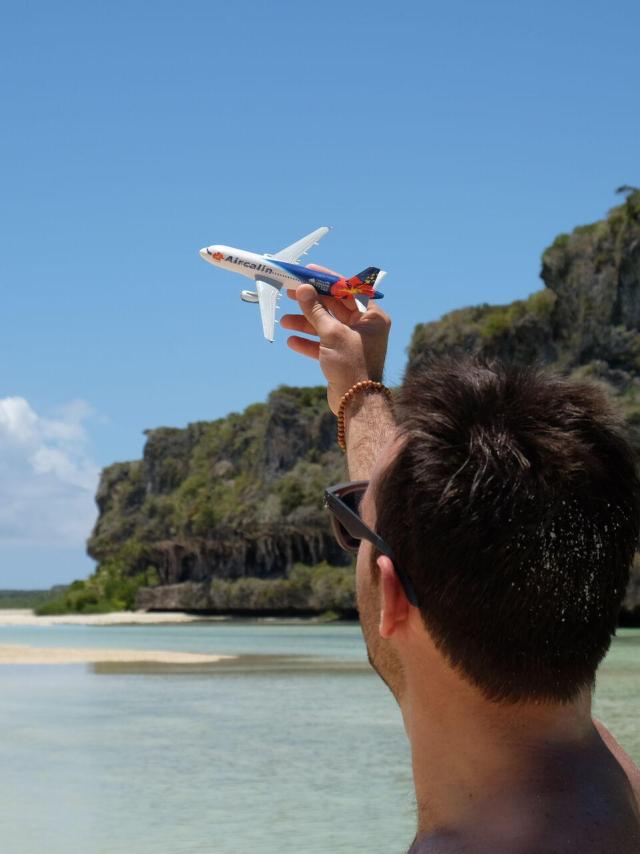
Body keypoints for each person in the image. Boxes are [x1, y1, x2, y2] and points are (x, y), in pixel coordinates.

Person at [281, 283, 640, 853]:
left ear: (394, 599)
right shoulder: (600, 770)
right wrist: (359, 390)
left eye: (353, 521)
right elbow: (415, 555)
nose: (353, 533)